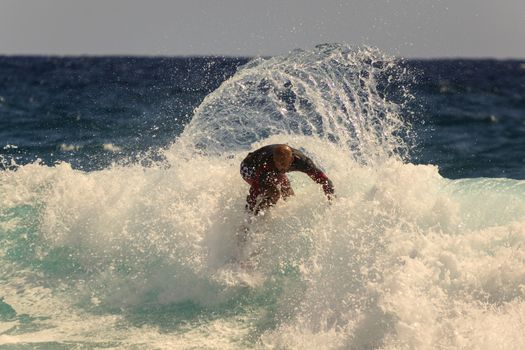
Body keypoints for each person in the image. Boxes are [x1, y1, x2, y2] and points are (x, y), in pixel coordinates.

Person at [240, 144, 335, 214]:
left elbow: (325, 181)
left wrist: (331, 201)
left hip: (271, 169)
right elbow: (254, 190)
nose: (281, 167)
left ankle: (286, 211)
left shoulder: (302, 162)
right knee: (274, 193)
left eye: (284, 164)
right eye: (278, 163)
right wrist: (249, 211)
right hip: (249, 167)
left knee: (287, 189)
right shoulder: (266, 164)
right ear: (274, 160)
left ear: (291, 159)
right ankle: (259, 217)